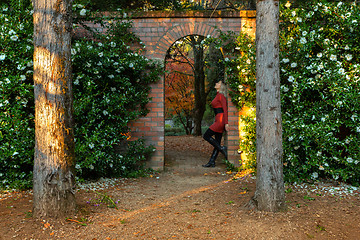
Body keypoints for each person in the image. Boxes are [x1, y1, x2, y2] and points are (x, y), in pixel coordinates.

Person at [202, 80, 229, 167]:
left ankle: (221, 148)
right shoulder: (218, 95)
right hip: (218, 119)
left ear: (221, 86)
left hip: (220, 120)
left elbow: (225, 110)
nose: (216, 83)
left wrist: (226, 123)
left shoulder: (221, 96)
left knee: (206, 135)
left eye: (218, 83)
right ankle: (212, 161)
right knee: (217, 141)